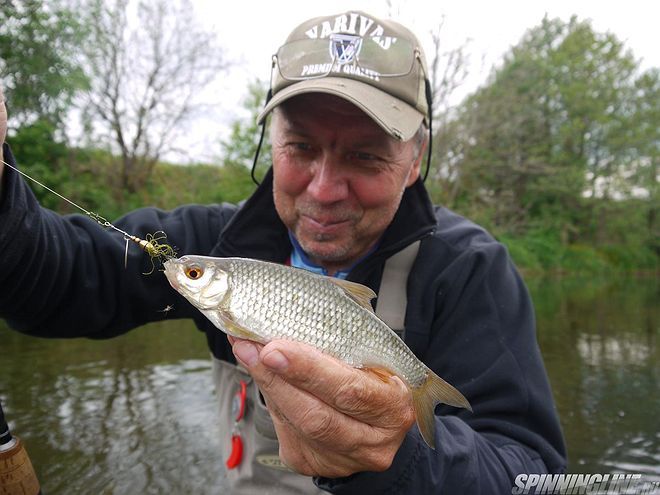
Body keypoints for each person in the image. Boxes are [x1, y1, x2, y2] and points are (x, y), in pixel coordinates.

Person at [0, 10, 566, 494]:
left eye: (366, 157)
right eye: (300, 147)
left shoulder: (470, 269)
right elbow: (51, 279)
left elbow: (532, 472)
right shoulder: (219, 244)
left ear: (415, 161)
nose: (323, 189)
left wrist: (400, 458)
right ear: (272, 142)